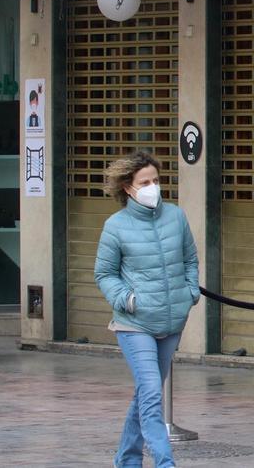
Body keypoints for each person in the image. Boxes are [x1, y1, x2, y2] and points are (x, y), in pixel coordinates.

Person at [94, 151, 199, 468]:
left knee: (145, 395)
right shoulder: (116, 226)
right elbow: (104, 274)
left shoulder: (176, 217)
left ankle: (126, 459)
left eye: (156, 180)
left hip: (171, 320)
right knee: (152, 392)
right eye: (145, 182)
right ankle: (165, 462)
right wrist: (127, 299)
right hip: (134, 324)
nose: (153, 186)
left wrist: (189, 292)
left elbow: (190, 260)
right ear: (128, 187)